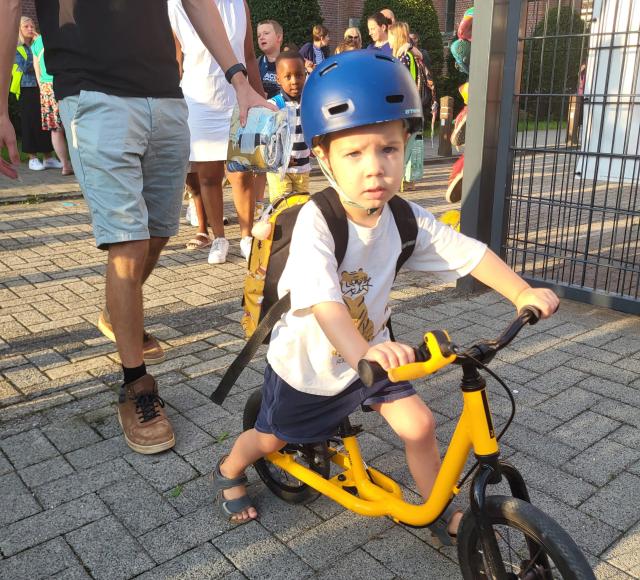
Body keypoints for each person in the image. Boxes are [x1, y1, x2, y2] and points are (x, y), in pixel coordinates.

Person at [211, 50, 559, 524]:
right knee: (270, 438)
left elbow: (469, 252)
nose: (375, 167)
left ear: (406, 145)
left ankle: (438, 509)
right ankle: (230, 468)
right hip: (310, 366)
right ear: (324, 158)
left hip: (371, 357)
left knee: (419, 424)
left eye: (388, 149)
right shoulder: (317, 221)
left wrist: (521, 292)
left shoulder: (402, 216)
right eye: (354, 153)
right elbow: (327, 305)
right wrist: (363, 355)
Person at [0, 0, 271, 453]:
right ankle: (136, 386)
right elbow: (8, 9)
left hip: (165, 92)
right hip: (92, 95)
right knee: (127, 242)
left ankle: (116, 313)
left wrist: (240, 79)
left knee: (161, 229)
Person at [168, 0, 264, 265]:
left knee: (241, 173)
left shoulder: (238, 4)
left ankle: (246, 237)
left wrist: (260, 96)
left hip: (236, 96)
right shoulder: (175, 5)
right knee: (207, 175)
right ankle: (219, 238)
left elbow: (249, 56)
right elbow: (176, 59)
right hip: (198, 98)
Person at [265, 52, 310, 203]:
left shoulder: (309, 102)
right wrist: (280, 157)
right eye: (288, 76)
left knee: (302, 207)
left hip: (303, 168)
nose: (294, 81)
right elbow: (266, 138)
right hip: (279, 171)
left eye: (299, 75)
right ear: (278, 79)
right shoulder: (274, 105)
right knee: (282, 207)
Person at [12, 16, 54, 172]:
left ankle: (48, 157)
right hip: (26, 88)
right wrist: (38, 56)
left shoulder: (38, 44)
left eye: (32, 26)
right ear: (19, 30)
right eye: (26, 26)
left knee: (44, 121)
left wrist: (38, 47)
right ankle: (32, 157)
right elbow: (24, 67)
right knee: (30, 122)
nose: (31, 29)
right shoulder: (17, 48)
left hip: (42, 86)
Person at [30, 33, 73, 175]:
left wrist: (41, 84)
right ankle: (79, 165)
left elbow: (36, 66)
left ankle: (65, 165)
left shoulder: (36, 43)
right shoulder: (62, 34)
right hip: (64, 81)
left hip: (46, 85)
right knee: (73, 124)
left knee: (55, 128)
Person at [388, 21, 422, 189]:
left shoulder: (402, 57)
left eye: (390, 35)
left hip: (403, 107)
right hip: (410, 106)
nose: (388, 39)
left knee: (401, 147)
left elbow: (398, 82)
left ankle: (396, 182)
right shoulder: (406, 54)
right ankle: (400, 181)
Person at [257, 19, 283, 99]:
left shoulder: (288, 63)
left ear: (278, 37)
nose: (261, 37)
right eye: (259, 35)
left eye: (266, 33)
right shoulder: (255, 64)